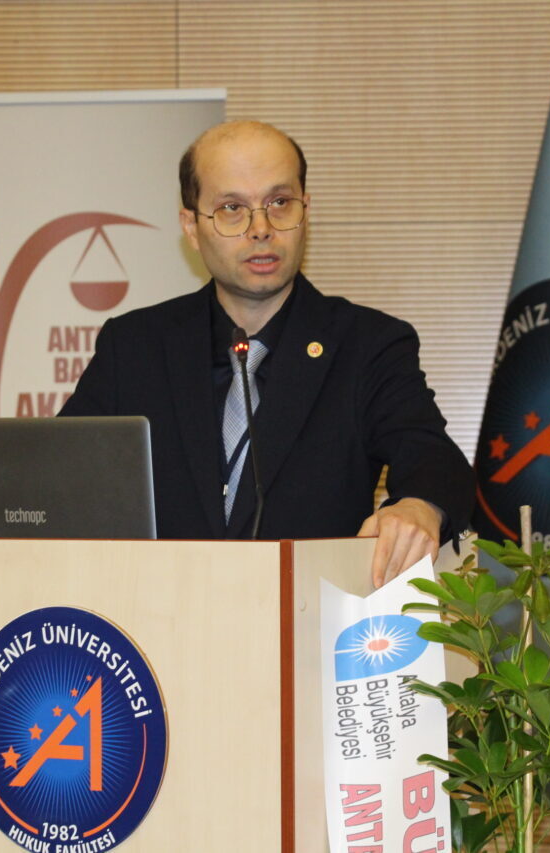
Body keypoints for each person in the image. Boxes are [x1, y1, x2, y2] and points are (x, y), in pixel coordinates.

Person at [59, 120, 473, 586]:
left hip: (308, 614)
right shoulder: (135, 347)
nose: (261, 229)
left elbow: (432, 456)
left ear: (305, 210)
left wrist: (420, 505)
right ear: (191, 227)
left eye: (279, 203)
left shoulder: (367, 344)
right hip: (156, 614)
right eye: (232, 209)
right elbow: (59, 477)